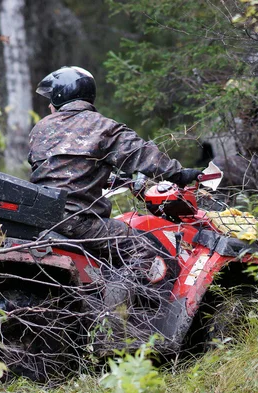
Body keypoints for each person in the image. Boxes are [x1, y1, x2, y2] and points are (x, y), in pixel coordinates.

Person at [27, 66, 200, 295]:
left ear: (61, 97)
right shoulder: (102, 127)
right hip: (79, 222)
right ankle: (116, 317)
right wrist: (180, 174)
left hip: (41, 217)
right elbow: (142, 155)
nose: (49, 105)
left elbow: (58, 169)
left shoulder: (41, 128)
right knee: (144, 249)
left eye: (51, 99)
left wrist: (106, 177)